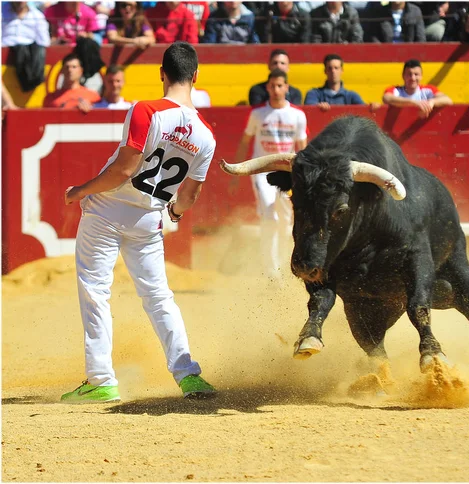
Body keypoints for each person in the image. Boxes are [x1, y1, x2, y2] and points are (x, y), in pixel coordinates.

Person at [61, 41, 217, 403]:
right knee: (159, 296)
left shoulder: (146, 110)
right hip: (149, 218)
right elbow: (189, 196)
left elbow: (123, 170)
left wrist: (80, 190)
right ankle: (188, 375)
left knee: (95, 290)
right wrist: (175, 213)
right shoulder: (206, 136)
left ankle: (101, 379)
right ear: (195, 77)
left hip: (106, 211)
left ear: (162, 74)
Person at [234, 69, 307, 280]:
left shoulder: (297, 115)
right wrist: (237, 172)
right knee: (269, 216)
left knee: (287, 221)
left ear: (286, 88)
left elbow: (302, 148)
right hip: (262, 170)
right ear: (267, 88)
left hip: (287, 172)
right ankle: (270, 270)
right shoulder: (257, 114)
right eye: (272, 86)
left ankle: (285, 264)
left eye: (279, 86)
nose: (276, 90)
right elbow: (245, 141)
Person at [304, 53, 380, 112]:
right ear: (325, 71)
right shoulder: (314, 93)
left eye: (336, 68)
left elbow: (364, 111)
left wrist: (373, 107)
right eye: (330, 68)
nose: (333, 71)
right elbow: (309, 109)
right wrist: (317, 107)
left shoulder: (352, 95)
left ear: (342, 70)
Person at [382, 59, 453, 119]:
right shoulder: (396, 90)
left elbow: (448, 100)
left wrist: (432, 102)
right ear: (403, 76)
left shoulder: (428, 90)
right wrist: (414, 102)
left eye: (416, 74)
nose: (413, 78)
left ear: (421, 76)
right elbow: (386, 98)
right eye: (409, 74)